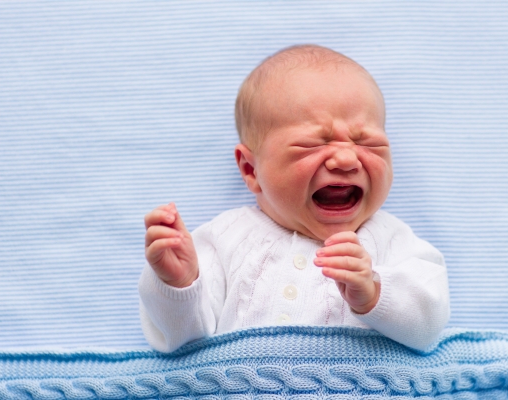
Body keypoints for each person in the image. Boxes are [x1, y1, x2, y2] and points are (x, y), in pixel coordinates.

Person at [138, 44, 449, 353]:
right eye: (312, 144)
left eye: (368, 142)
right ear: (251, 169)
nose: (345, 159)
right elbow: (180, 341)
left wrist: (375, 292)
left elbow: (430, 327)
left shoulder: (393, 240)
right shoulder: (224, 239)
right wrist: (178, 286)